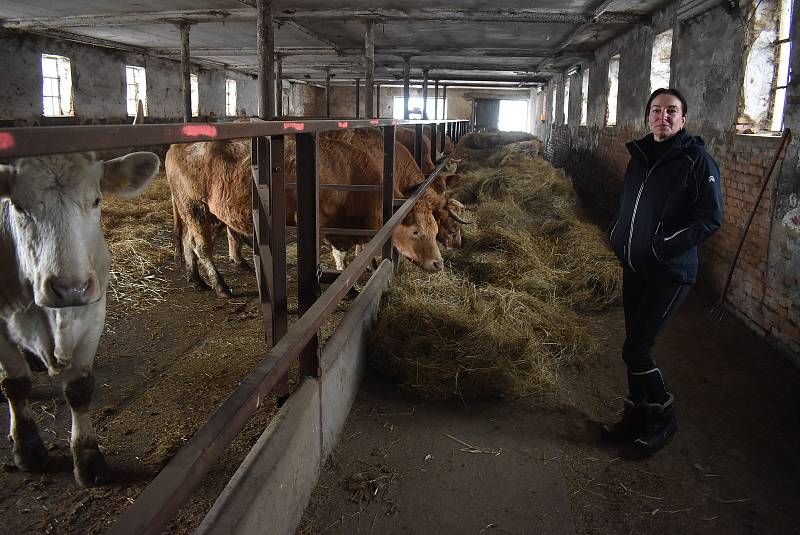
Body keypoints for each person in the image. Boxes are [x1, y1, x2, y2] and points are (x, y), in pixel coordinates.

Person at [602, 88, 723, 455]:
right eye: (656, 110)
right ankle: (638, 415)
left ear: (683, 120)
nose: (663, 117)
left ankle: (662, 418)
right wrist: (618, 235)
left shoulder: (697, 161)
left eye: (672, 111)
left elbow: (710, 219)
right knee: (633, 346)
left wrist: (660, 245)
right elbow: (629, 205)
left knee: (637, 349)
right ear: (648, 117)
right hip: (635, 266)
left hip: (669, 272)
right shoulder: (640, 156)